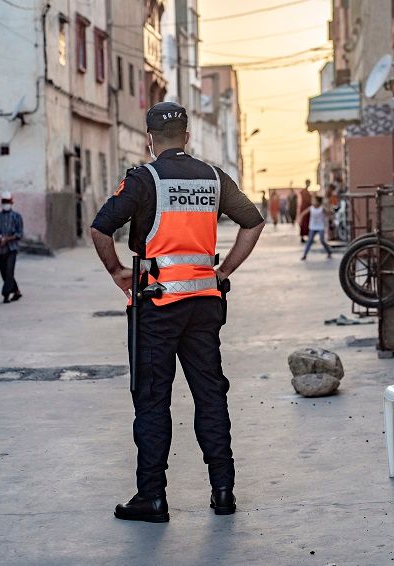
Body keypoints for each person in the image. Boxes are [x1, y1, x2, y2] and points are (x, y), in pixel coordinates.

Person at [90, 102, 264, 523]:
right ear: (187, 137)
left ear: (150, 139)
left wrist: (116, 272)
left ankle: (152, 498)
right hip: (205, 305)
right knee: (210, 396)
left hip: (156, 306)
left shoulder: (143, 179)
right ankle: (223, 492)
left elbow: (100, 227)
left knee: (152, 401)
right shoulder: (213, 177)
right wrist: (222, 271)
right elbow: (253, 223)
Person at [0, 191, 23, 304]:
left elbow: (19, 234)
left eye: (8, 202)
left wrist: (7, 239)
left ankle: (6, 294)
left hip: (11, 248)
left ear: (11, 202)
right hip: (0, 249)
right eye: (4, 202)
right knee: (4, 272)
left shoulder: (16, 217)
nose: (6, 204)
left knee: (9, 271)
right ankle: (16, 291)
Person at [297, 195, 332, 260]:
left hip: (320, 226)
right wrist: (300, 220)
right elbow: (303, 214)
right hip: (312, 227)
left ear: (318, 202)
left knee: (322, 240)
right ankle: (305, 255)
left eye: (314, 201)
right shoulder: (311, 208)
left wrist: (329, 213)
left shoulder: (322, 208)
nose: (313, 202)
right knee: (309, 241)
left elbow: (328, 213)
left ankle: (329, 252)